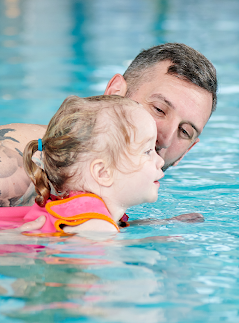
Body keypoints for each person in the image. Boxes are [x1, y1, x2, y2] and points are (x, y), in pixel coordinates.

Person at [0, 43, 217, 215]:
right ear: (114, 93)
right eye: (159, 109)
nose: (166, 138)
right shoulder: (16, 164)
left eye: (185, 132)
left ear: (187, 152)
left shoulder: (120, 189)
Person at [0, 95, 164, 235]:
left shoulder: (82, 213)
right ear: (103, 173)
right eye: (148, 151)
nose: (160, 161)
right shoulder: (98, 226)